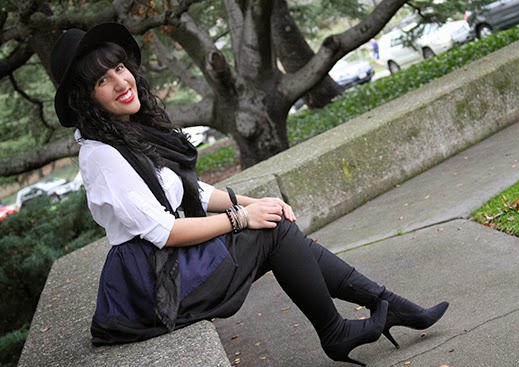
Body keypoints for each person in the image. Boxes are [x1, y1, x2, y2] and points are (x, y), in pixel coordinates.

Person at [50, 22, 449, 366]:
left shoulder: (128, 132)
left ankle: (384, 305)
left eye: (120, 68)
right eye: (103, 80)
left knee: (273, 219)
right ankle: (342, 327)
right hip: (153, 286)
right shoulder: (100, 155)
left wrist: (253, 203)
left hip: (170, 264)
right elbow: (164, 231)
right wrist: (242, 218)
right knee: (270, 230)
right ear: (86, 99)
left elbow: (195, 193)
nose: (121, 82)